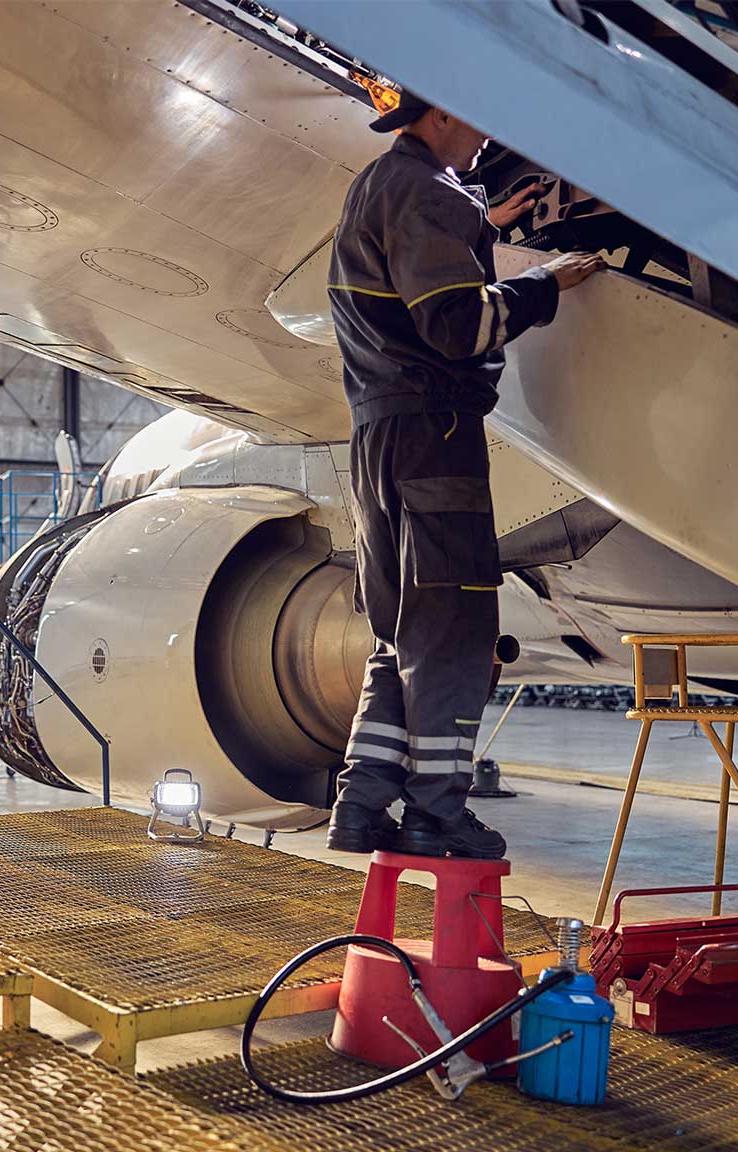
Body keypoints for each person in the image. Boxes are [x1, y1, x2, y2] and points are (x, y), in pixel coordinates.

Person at [325, 91, 602, 858]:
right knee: (452, 635)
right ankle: (440, 814)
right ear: (440, 113)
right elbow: (457, 325)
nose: (488, 136)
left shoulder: (378, 185)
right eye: (478, 118)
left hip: (378, 437)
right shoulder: (428, 194)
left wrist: (485, 224)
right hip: (436, 435)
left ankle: (363, 805)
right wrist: (546, 284)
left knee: (398, 636)